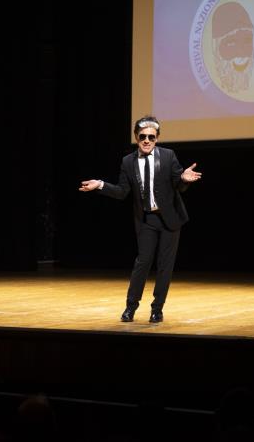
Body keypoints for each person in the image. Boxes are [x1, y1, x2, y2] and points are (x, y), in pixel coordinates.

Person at [80, 116, 201, 323]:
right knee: (142, 263)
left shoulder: (168, 156)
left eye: (151, 137)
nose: (147, 140)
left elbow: (178, 185)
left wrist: (183, 179)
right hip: (146, 219)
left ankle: (157, 309)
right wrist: (100, 185)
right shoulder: (128, 161)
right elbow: (121, 192)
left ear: (157, 139)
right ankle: (130, 307)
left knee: (165, 266)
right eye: (143, 136)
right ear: (136, 137)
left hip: (170, 220)